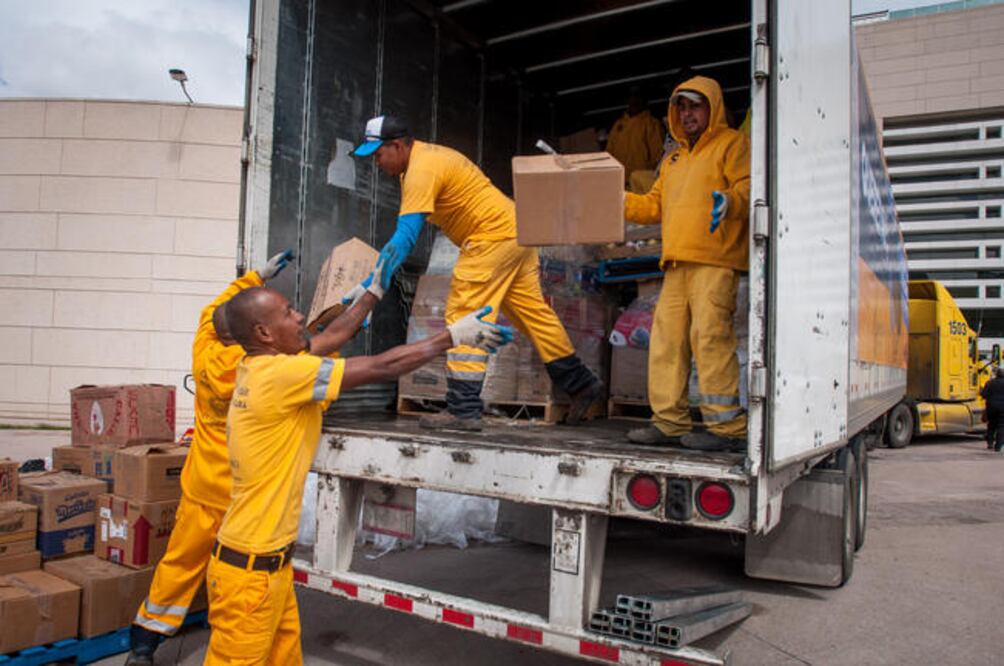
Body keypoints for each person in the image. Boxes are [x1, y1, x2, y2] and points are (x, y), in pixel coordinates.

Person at [202, 286, 511, 664]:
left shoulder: (260, 366)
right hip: (249, 576)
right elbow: (381, 367)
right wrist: (453, 336)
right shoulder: (281, 375)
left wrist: (373, 289)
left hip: (268, 568)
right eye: (288, 312)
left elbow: (333, 336)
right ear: (264, 333)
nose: (300, 316)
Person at [125, 251, 384, 665]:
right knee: (238, 575)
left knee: (179, 566)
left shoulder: (205, 346)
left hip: (201, 486)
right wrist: (347, 318)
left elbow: (215, 311)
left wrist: (252, 277)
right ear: (253, 334)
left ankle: (143, 644)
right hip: (241, 496)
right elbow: (303, 354)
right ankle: (233, 622)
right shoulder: (249, 367)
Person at [351, 114, 604, 431]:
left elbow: (405, 237)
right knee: (533, 313)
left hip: (491, 238)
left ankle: (462, 409)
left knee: (464, 316)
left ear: (398, 145)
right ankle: (580, 383)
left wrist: (372, 285)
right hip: (517, 233)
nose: (377, 163)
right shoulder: (424, 160)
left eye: (378, 155)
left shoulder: (421, 169)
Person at [622, 76, 750, 451]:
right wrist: (617, 199)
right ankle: (669, 423)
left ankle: (726, 429)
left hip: (716, 261)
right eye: (681, 106)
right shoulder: (673, 158)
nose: (687, 113)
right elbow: (652, 206)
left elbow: (747, 187)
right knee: (666, 343)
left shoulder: (732, 144)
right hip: (676, 264)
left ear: (712, 107)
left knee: (710, 340)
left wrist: (730, 201)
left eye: (695, 105)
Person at [606, 91, 666, 192]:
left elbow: (658, 155)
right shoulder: (618, 125)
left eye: (637, 97)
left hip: (641, 183)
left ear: (644, 101)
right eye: (632, 97)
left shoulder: (651, 123)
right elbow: (609, 153)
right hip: (620, 183)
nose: (634, 100)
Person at [980, 366, 1004, 452]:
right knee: (1001, 426)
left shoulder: (989, 383)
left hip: (991, 406)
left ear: (996, 374)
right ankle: (998, 446)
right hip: (1003, 408)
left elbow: (983, 395)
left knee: (991, 425)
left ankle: (990, 443)